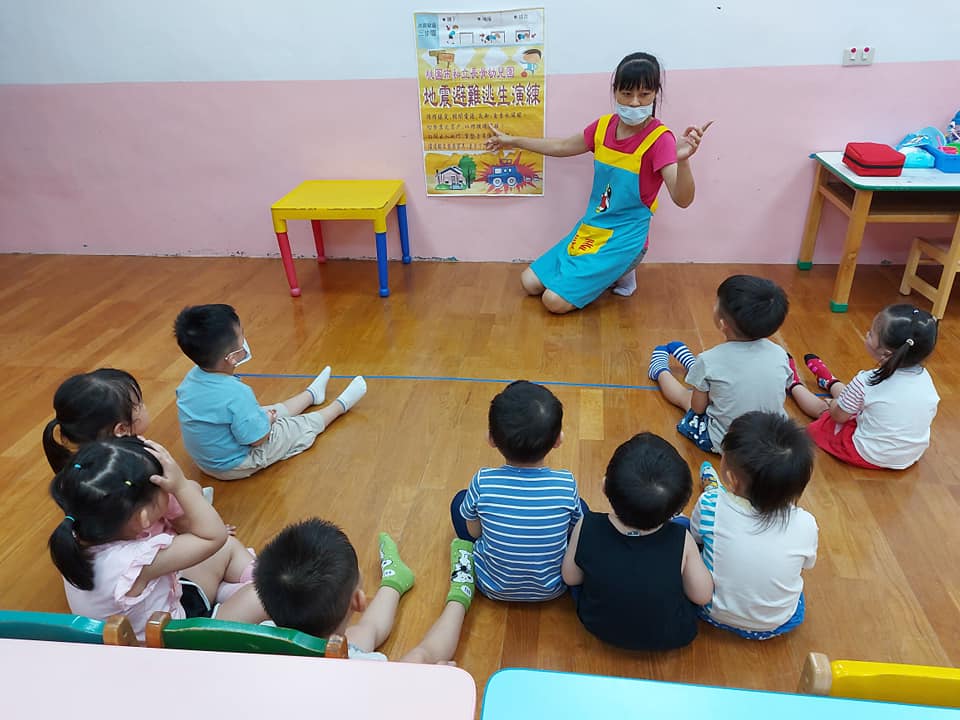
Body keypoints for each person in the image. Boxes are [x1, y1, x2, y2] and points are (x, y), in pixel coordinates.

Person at [485, 51, 710, 313]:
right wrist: (512, 141)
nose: (635, 103)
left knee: (553, 302)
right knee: (530, 283)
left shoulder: (660, 139)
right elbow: (561, 145)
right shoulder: (603, 127)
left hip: (626, 237)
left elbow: (683, 199)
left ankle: (622, 269)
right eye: (626, 94)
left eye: (644, 94)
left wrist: (684, 160)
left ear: (655, 94)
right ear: (615, 92)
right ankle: (611, 273)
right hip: (593, 227)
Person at [48, 437, 267, 639]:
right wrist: (181, 486)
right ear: (143, 518)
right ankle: (247, 590)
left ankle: (236, 588)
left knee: (225, 550)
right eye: (163, 487)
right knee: (269, 592)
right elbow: (214, 536)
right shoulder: (137, 561)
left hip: (149, 620)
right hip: (173, 640)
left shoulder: (78, 531)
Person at [174, 304, 367, 480]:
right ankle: (339, 406)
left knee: (261, 412)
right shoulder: (237, 393)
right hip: (233, 465)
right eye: (242, 335)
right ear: (232, 357)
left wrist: (263, 418)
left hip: (205, 460)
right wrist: (268, 422)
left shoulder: (191, 379)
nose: (244, 339)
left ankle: (311, 395)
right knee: (292, 428)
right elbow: (258, 440)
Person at [561, 433, 712, 650]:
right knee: (687, 535)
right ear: (675, 510)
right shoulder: (681, 539)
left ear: (604, 487)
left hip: (599, 625)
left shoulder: (588, 525)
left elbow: (571, 577)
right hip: (671, 635)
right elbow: (702, 596)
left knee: (581, 514)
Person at [254, 519, 476, 664]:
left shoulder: (261, 636)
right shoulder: (368, 667)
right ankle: (460, 593)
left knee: (362, 632)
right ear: (359, 602)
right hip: (354, 682)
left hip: (315, 660)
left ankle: (394, 580)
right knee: (422, 655)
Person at [450, 380, 583, 601]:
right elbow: (572, 530)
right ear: (558, 440)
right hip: (553, 589)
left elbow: (474, 533)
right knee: (580, 508)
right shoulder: (566, 483)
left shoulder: (483, 481)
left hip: (491, 586)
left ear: (491, 439)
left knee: (460, 502)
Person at [691, 412, 818, 639]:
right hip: (778, 622)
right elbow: (807, 566)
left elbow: (696, 538)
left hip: (711, 612)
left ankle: (712, 485)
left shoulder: (711, 504)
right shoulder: (807, 523)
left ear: (731, 479)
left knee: (687, 535)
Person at [649, 274, 792, 453]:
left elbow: (698, 408)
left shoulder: (710, 360)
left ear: (723, 324)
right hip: (772, 438)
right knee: (718, 380)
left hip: (725, 441)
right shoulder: (780, 354)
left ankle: (660, 371)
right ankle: (696, 373)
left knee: (686, 398)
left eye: (717, 303)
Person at [788, 304, 939, 469]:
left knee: (825, 413)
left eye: (871, 333)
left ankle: (793, 382)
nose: (867, 334)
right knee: (854, 400)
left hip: (868, 454)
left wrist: (833, 404)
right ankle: (829, 381)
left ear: (886, 353)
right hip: (909, 455)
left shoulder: (867, 380)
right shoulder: (925, 378)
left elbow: (838, 416)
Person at [42, 369, 150, 473]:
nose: (144, 406)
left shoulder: (80, 470)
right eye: (139, 403)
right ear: (121, 429)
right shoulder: (138, 467)